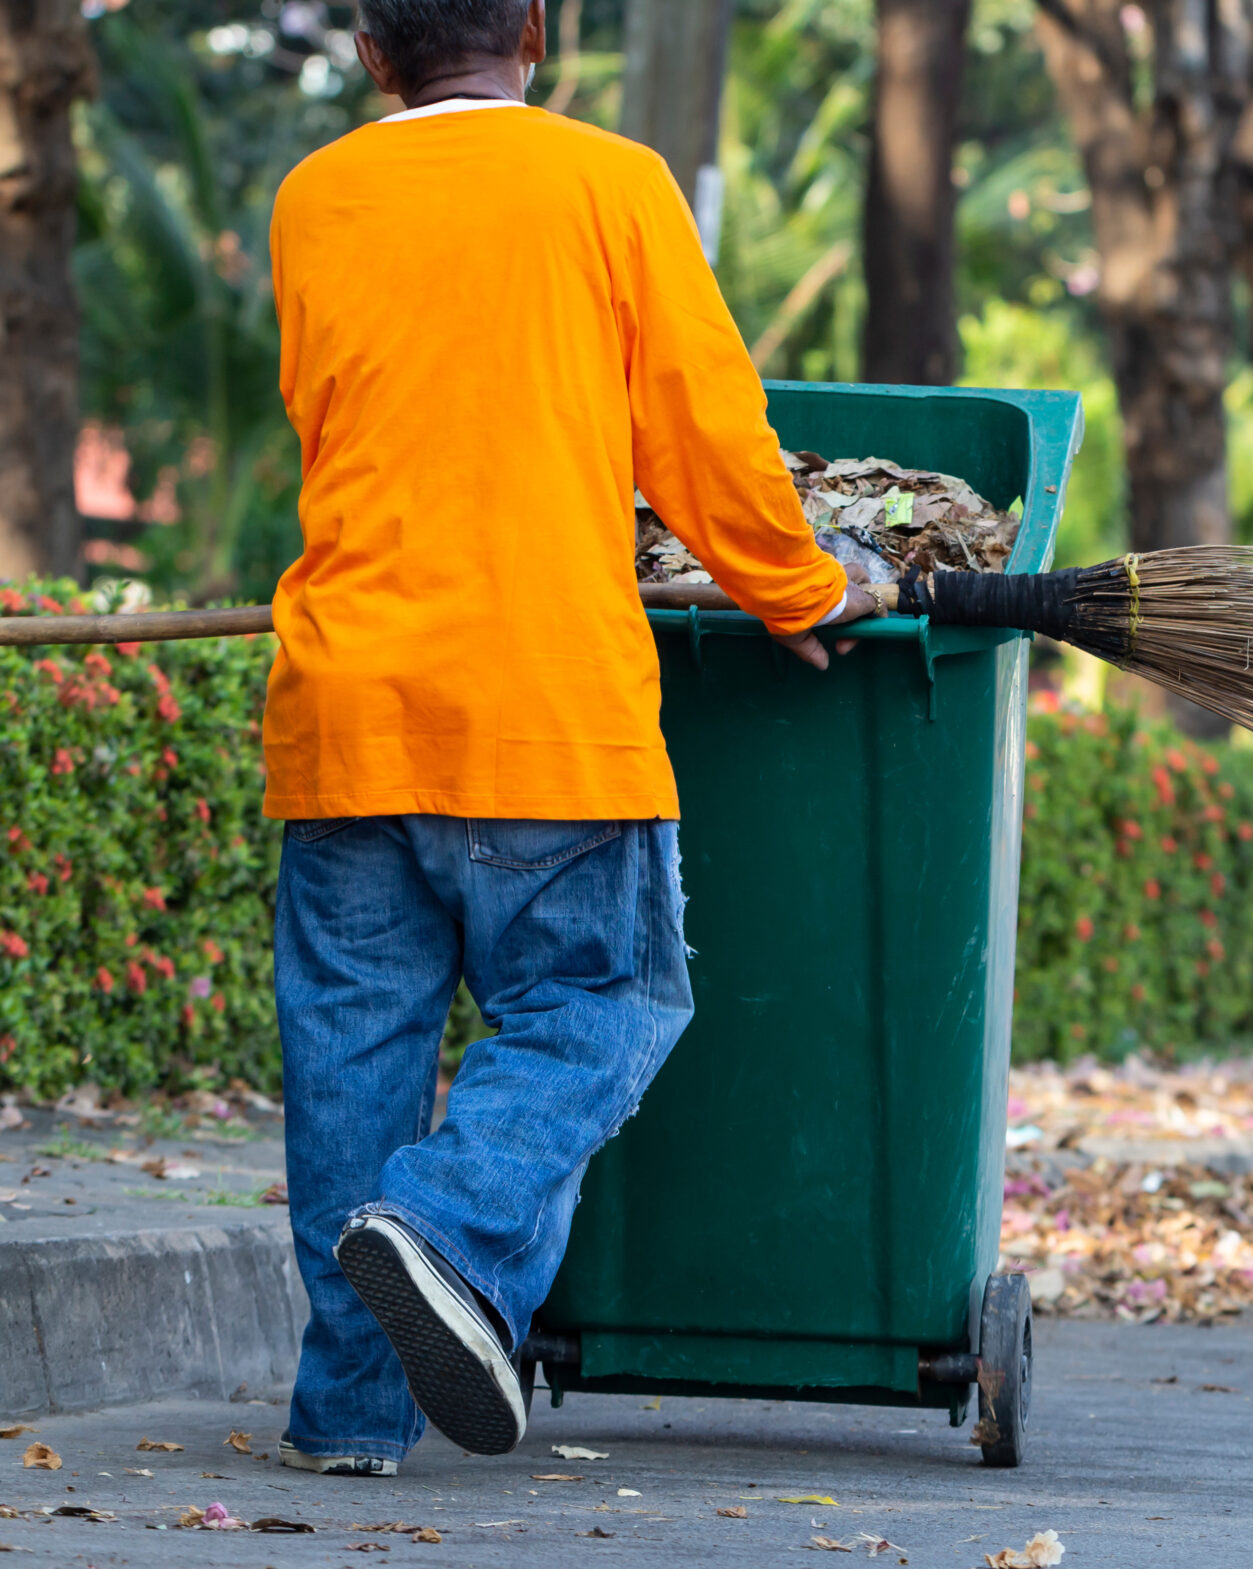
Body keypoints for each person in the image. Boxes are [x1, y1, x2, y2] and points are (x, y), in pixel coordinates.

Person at [264, 0, 868, 1472]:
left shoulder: (314, 196)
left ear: (366, 48)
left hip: (349, 701)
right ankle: (444, 1225)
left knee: (357, 1057)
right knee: (604, 1003)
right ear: (533, 31)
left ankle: (352, 1420)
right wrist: (795, 588)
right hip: (547, 703)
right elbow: (701, 427)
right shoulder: (611, 184)